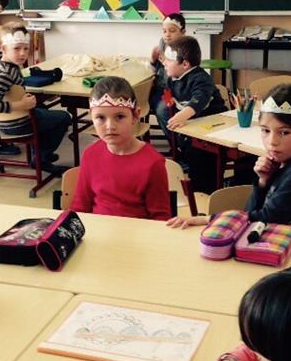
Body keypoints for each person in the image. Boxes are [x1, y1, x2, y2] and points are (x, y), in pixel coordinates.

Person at [168, 84, 291, 235]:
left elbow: (268, 219)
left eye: (284, 132)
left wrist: (207, 219)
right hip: (268, 243)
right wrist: (263, 181)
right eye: (265, 130)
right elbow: (250, 211)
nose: (272, 141)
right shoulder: (282, 164)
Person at [71, 76, 171, 220]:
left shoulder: (153, 163)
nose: (110, 126)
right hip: (98, 230)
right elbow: (80, 206)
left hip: (137, 232)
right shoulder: (90, 154)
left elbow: (160, 217)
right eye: (100, 118)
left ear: (135, 116)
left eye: (119, 117)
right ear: (91, 117)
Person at [0, 22, 70, 174]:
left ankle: (40, 152)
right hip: (15, 123)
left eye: (25, 48)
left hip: (14, 118)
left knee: (43, 109)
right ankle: (41, 158)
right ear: (3, 49)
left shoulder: (4, 64)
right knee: (64, 117)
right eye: (17, 48)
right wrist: (21, 104)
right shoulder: (4, 74)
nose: (23, 53)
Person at [155, 35, 227, 193]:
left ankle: (207, 192)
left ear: (185, 64)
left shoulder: (201, 78)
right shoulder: (172, 77)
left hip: (215, 124)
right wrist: (169, 104)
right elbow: (167, 94)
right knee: (192, 152)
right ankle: (197, 187)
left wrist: (181, 116)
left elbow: (199, 100)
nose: (164, 63)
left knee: (202, 157)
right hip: (195, 126)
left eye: (169, 60)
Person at [149, 13, 186, 108]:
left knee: (164, 108)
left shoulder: (186, 50)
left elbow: (180, 75)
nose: (167, 35)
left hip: (178, 91)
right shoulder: (163, 45)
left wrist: (165, 60)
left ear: (183, 32)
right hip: (161, 89)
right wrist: (153, 61)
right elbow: (154, 70)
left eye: (172, 31)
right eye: (164, 31)